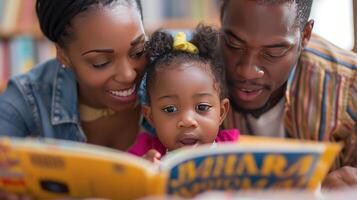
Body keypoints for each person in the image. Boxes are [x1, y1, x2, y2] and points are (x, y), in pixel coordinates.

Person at [219, 0, 357, 189]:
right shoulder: (194, 71)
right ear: (221, 19)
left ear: (305, 35)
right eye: (233, 44)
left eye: (273, 52)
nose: (247, 71)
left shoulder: (348, 86)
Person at [0, 0, 146, 150]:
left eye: (138, 52)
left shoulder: (168, 68)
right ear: (63, 56)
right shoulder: (29, 98)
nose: (128, 75)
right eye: (101, 62)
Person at [128, 25, 240, 162]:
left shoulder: (234, 148)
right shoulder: (145, 151)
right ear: (151, 117)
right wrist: (143, 170)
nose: (187, 121)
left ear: (221, 112)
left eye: (202, 107)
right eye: (170, 109)